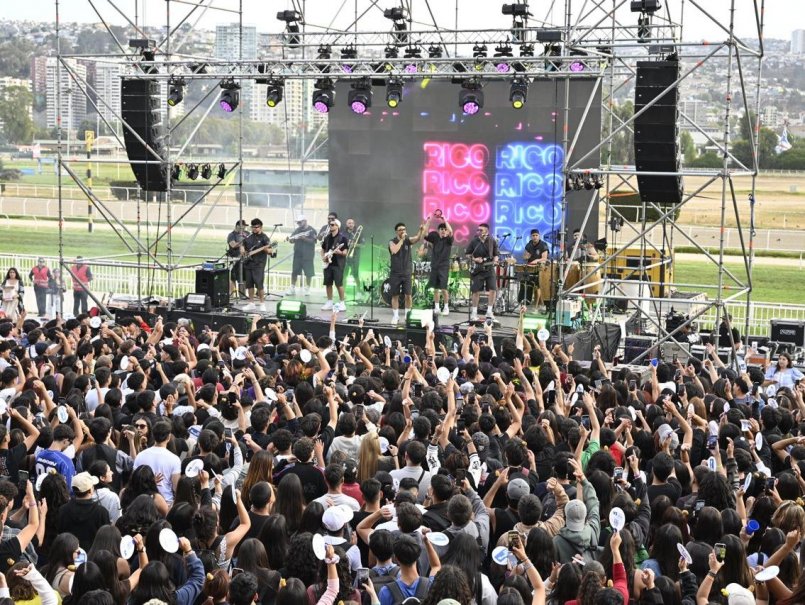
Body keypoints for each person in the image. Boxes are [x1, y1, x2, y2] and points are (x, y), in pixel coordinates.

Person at [388, 221, 426, 326]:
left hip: (407, 272)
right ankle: (395, 316)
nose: (403, 231)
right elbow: (394, 250)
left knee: (408, 295)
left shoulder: (408, 240)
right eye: (400, 230)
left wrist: (420, 230)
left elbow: (417, 238)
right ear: (396, 231)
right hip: (395, 273)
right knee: (395, 295)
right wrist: (401, 240)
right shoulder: (392, 241)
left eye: (404, 229)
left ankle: (407, 316)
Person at [466, 223, 499, 321]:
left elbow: (496, 254)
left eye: (481, 230)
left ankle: (489, 311)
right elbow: (468, 254)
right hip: (478, 268)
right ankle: (474, 313)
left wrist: (496, 260)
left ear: (486, 231)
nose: (479, 232)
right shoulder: (474, 241)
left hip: (489, 268)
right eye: (478, 230)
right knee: (476, 291)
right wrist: (475, 259)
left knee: (493, 289)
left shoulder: (491, 241)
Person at [423, 216, 454, 317]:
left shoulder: (448, 240)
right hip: (435, 266)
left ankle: (446, 307)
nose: (443, 231)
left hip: (444, 267)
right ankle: (436, 307)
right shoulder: (435, 238)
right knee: (435, 288)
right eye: (441, 229)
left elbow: (451, 231)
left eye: (445, 229)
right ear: (438, 230)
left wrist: (444, 220)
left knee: (443, 288)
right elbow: (425, 234)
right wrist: (428, 221)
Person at [241, 218, 273, 312]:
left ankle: (262, 303)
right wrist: (242, 249)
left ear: (261, 227)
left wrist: (265, 249)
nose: (254, 229)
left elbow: (270, 251)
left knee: (259, 284)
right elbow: (242, 245)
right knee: (249, 284)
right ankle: (251, 303)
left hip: (259, 264)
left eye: (256, 227)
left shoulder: (264, 238)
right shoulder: (249, 236)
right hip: (248, 263)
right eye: (253, 227)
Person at [320, 219, 350, 313]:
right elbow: (322, 249)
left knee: (339, 284)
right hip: (328, 264)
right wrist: (323, 257)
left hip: (338, 264)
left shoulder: (342, 238)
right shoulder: (327, 237)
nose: (331, 226)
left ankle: (342, 303)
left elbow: (345, 252)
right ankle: (329, 302)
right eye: (330, 224)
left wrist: (339, 252)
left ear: (337, 226)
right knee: (328, 283)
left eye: (333, 224)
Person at [286, 214, 318, 296]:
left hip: (308, 255)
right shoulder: (297, 230)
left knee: (308, 273)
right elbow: (292, 240)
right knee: (294, 272)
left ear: (305, 221)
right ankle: (292, 288)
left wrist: (304, 239)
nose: (298, 224)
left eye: (300, 222)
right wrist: (290, 240)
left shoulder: (312, 230)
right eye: (298, 222)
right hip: (297, 255)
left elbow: (314, 241)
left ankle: (307, 288)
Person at [227, 220, 248, 300]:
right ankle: (231, 295)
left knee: (243, 278)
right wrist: (242, 241)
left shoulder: (246, 234)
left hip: (244, 260)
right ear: (238, 226)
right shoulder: (231, 235)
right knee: (233, 277)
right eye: (243, 226)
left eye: (245, 226)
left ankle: (242, 295)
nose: (244, 228)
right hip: (234, 259)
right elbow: (233, 245)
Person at [344, 218, 364, 283]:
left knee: (355, 275)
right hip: (345, 257)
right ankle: (343, 288)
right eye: (349, 223)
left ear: (354, 224)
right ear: (346, 224)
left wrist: (354, 244)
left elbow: (363, 245)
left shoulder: (359, 233)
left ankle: (359, 288)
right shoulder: (343, 234)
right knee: (344, 275)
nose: (351, 224)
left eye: (352, 223)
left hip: (355, 257)